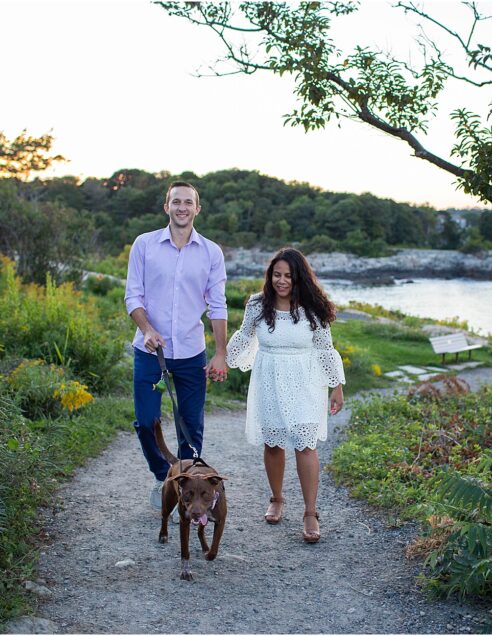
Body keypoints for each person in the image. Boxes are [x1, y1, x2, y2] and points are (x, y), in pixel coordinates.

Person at [226, 247, 345, 543]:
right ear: (270, 276)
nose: (281, 281)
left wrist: (337, 386)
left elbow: (325, 348)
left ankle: (310, 512)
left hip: (305, 381)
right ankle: (277, 498)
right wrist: (222, 358)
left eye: (288, 276)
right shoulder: (257, 304)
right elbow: (244, 335)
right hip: (268, 379)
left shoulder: (313, 308)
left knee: (305, 445)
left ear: (299, 278)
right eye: (276, 275)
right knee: (273, 443)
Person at [124, 181, 229, 519]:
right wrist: (147, 329)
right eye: (176, 202)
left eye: (189, 202)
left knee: (191, 427)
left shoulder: (211, 252)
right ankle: (163, 477)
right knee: (145, 421)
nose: (182, 207)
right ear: (166, 207)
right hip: (149, 351)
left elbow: (217, 305)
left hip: (191, 353)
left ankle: (186, 489)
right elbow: (133, 297)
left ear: (197, 209)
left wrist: (220, 353)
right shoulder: (144, 245)